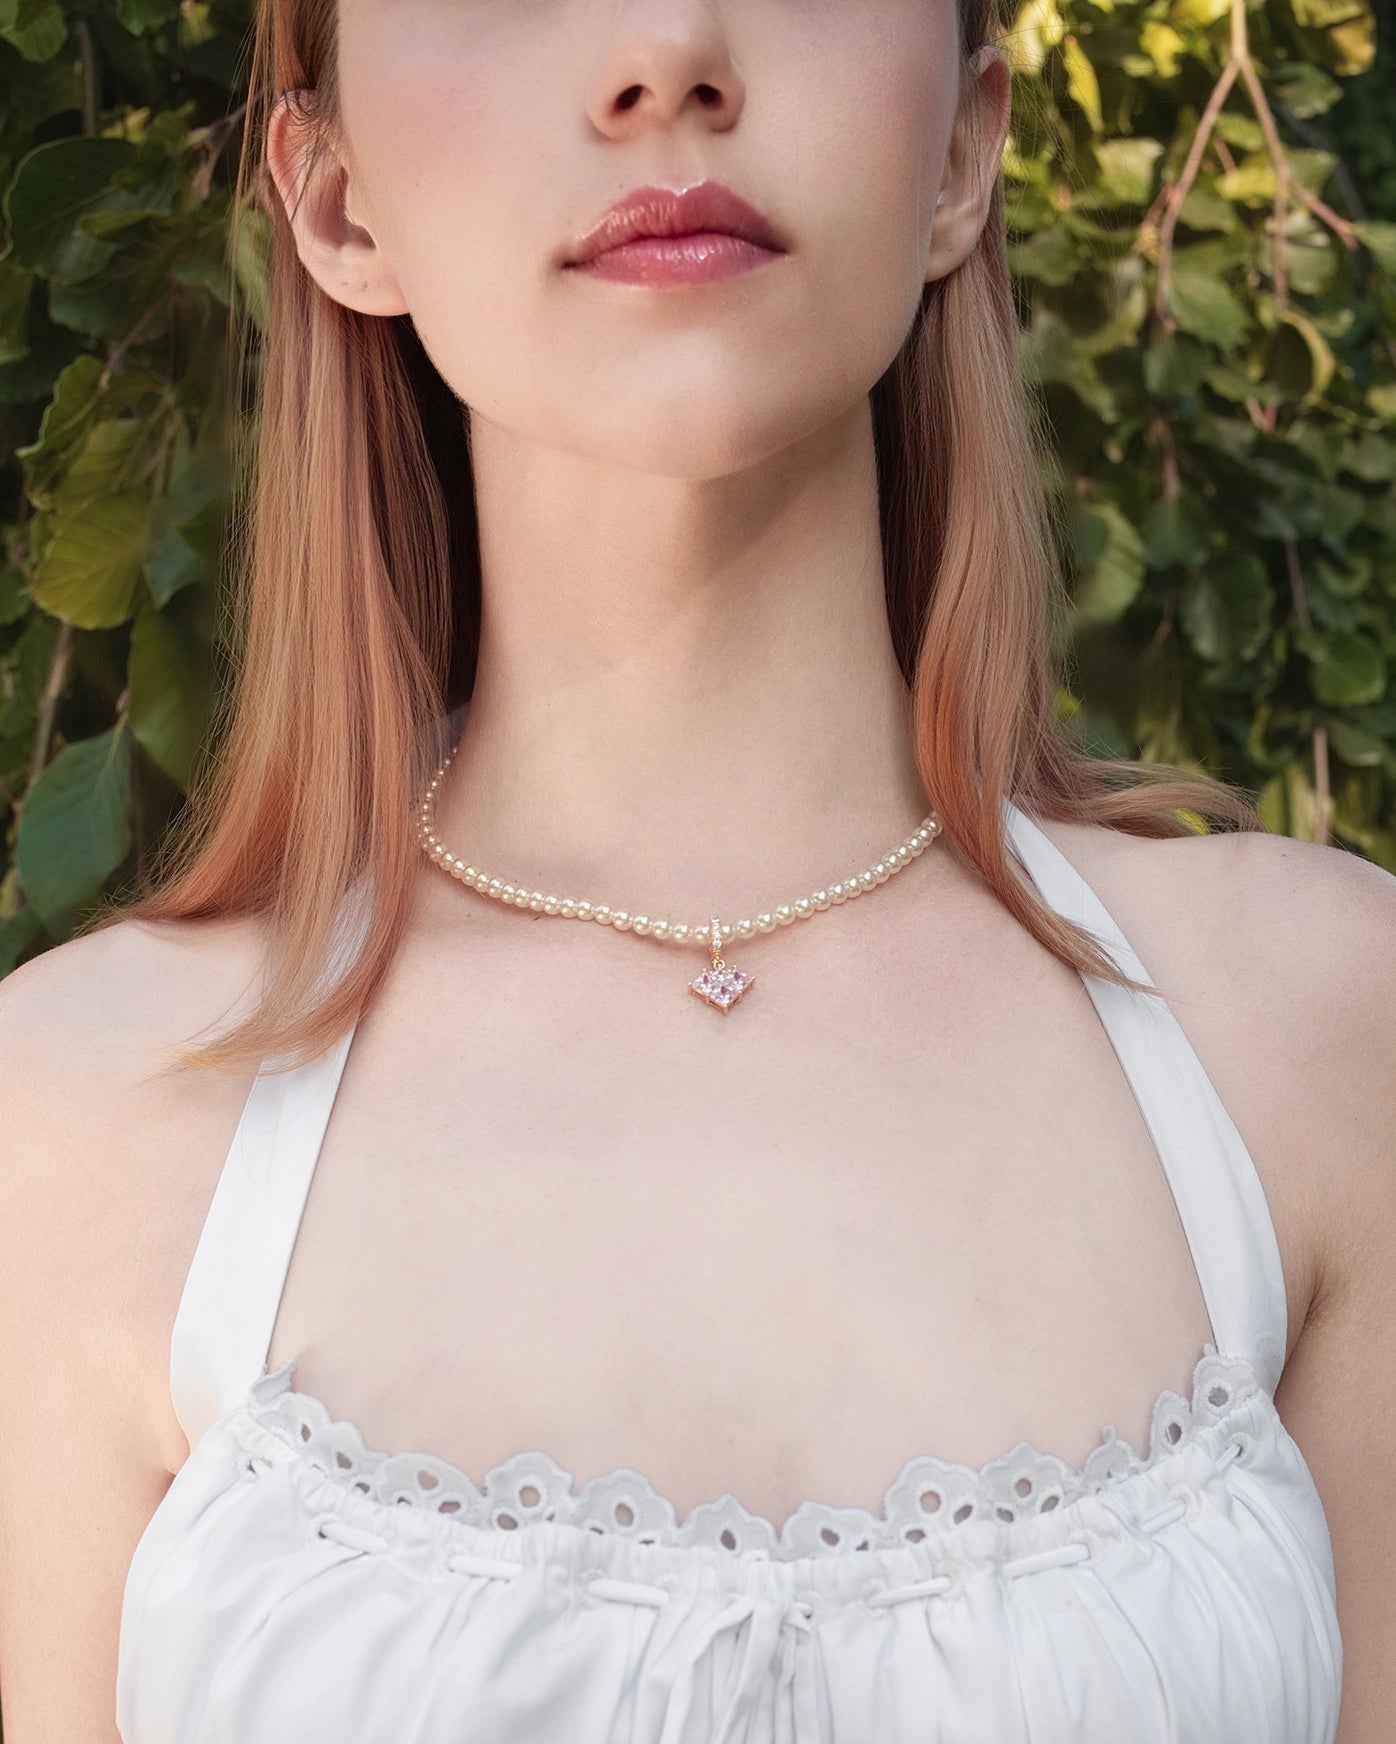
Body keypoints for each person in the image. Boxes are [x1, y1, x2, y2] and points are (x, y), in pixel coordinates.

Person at [0, 0, 1391, 1738]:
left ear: (965, 147)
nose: (667, 53)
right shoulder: (66, 1126)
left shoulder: (1330, 1039)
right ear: (338, 198)